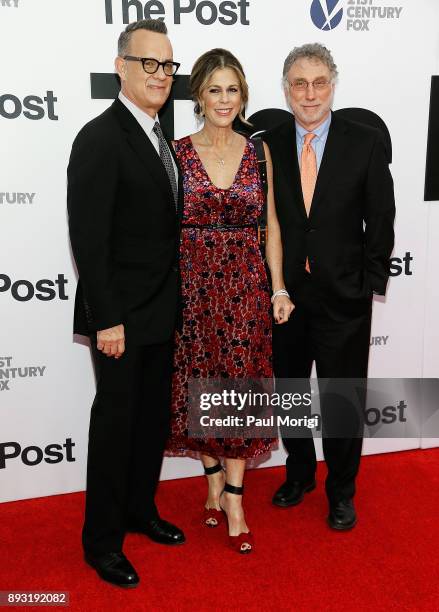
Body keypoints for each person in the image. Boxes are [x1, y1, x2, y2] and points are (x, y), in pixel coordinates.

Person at [67, 19, 185, 588]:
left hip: (162, 310)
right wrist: (107, 317)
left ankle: (140, 510)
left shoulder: (159, 134)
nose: (161, 75)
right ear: (122, 67)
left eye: (167, 65)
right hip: (120, 317)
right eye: (149, 64)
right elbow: (89, 240)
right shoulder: (100, 137)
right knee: (115, 426)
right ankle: (102, 542)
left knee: (150, 422)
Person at [166, 48, 294, 554]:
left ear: (243, 95)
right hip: (192, 288)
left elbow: (273, 226)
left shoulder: (257, 151)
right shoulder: (176, 153)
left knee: (238, 388)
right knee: (201, 383)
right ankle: (213, 478)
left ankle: (235, 497)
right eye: (215, 89)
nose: (224, 99)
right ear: (198, 94)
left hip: (244, 286)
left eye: (233, 90)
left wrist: (278, 287)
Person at [263, 43, 395, 530]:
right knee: (291, 393)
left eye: (319, 82)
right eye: (299, 83)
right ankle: (299, 474)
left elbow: (381, 218)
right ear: (286, 89)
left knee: (341, 401)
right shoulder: (268, 142)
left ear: (333, 86)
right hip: (287, 301)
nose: (310, 93)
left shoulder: (363, 142)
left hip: (345, 299)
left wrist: (369, 283)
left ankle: (342, 490)